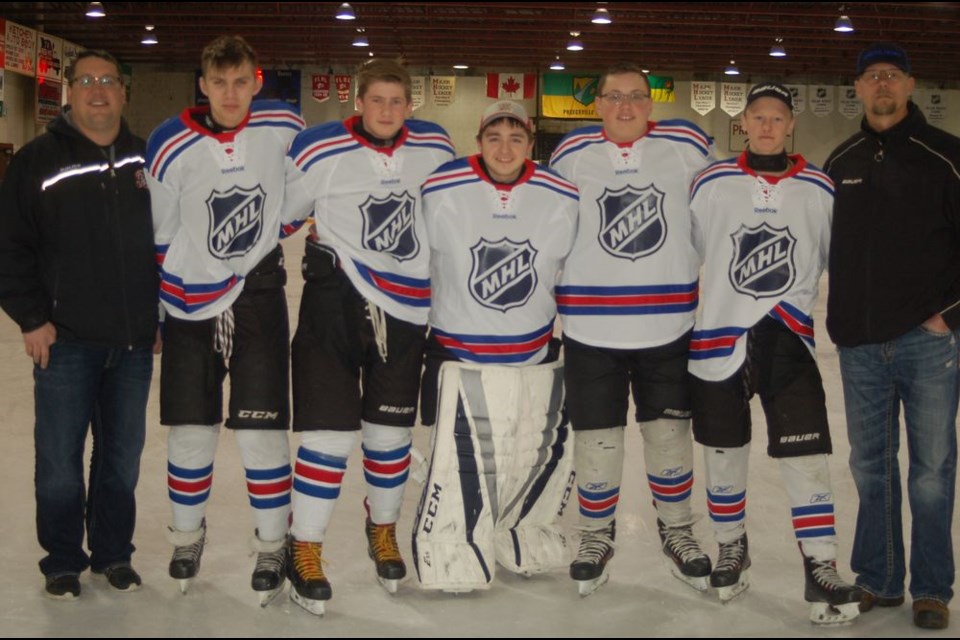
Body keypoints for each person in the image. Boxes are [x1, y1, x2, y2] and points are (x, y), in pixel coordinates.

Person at [282, 58, 454, 615]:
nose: (386, 110)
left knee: (389, 432)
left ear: (411, 105)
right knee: (327, 435)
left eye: (396, 101)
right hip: (332, 304)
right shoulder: (317, 148)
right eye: (376, 100)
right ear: (359, 101)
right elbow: (277, 218)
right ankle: (303, 544)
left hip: (405, 308)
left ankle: (382, 530)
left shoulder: (435, 147)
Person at [688, 83, 862, 623]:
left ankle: (821, 564)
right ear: (744, 123)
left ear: (791, 125)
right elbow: (691, 249)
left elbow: (840, 260)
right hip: (719, 337)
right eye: (757, 117)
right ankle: (730, 549)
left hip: (789, 339)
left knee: (806, 457)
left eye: (777, 118)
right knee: (724, 450)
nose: (766, 125)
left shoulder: (818, 186)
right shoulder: (712, 181)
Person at [144, 35, 305, 606]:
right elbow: (160, 234)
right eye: (219, 83)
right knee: (191, 428)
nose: (231, 93)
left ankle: (271, 544)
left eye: (241, 82)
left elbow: (307, 187)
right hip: (189, 302)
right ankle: (187, 537)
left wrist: (275, 235)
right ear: (203, 84)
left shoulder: (284, 126)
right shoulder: (167, 142)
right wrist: (165, 307)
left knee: (262, 430)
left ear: (256, 81)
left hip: (259, 296)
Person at [549, 62, 714, 596]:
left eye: (636, 97)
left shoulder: (687, 143)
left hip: (667, 323)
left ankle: (678, 531)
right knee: (597, 439)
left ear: (651, 101)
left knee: (669, 434)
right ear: (597, 103)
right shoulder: (571, 154)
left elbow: (715, 213)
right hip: (589, 327)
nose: (626, 107)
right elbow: (549, 226)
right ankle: (596, 534)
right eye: (614, 96)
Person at [0, 49, 158, 599]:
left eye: (108, 81)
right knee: (61, 463)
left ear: (123, 92)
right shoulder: (38, 160)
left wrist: (160, 314)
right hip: (64, 341)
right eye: (86, 81)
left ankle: (114, 555)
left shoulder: (147, 160)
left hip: (134, 343)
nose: (98, 90)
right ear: (69, 91)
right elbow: (10, 246)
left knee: (120, 460)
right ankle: (63, 559)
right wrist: (32, 318)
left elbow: (170, 245)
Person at [412, 101, 579, 591]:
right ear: (479, 141)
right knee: (463, 458)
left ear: (530, 143)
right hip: (458, 353)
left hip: (533, 352)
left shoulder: (560, 193)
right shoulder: (441, 187)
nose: (504, 149)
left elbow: (572, 265)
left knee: (527, 451)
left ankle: (517, 531)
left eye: (515, 138)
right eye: (493, 137)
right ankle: (451, 546)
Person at [824, 43, 960, 631]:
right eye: (870, 77)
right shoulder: (841, 160)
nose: (881, 85)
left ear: (909, 84)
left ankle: (931, 588)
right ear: (856, 88)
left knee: (930, 467)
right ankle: (879, 580)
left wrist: (949, 315)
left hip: (927, 342)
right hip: (860, 345)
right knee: (871, 466)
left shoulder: (945, 156)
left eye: (892, 76)